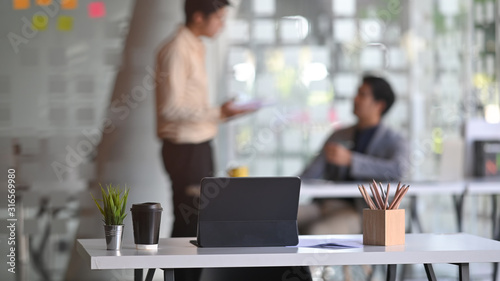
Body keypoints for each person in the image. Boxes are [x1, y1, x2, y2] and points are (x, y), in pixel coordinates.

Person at [299, 75, 408, 235]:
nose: (355, 99)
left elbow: (398, 169)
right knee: (277, 220)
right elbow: (310, 173)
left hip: (360, 210)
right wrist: (284, 188)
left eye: (362, 95)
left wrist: (351, 160)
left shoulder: (394, 140)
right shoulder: (339, 135)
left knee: (318, 232)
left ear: (380, 105)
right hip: (325, 204)